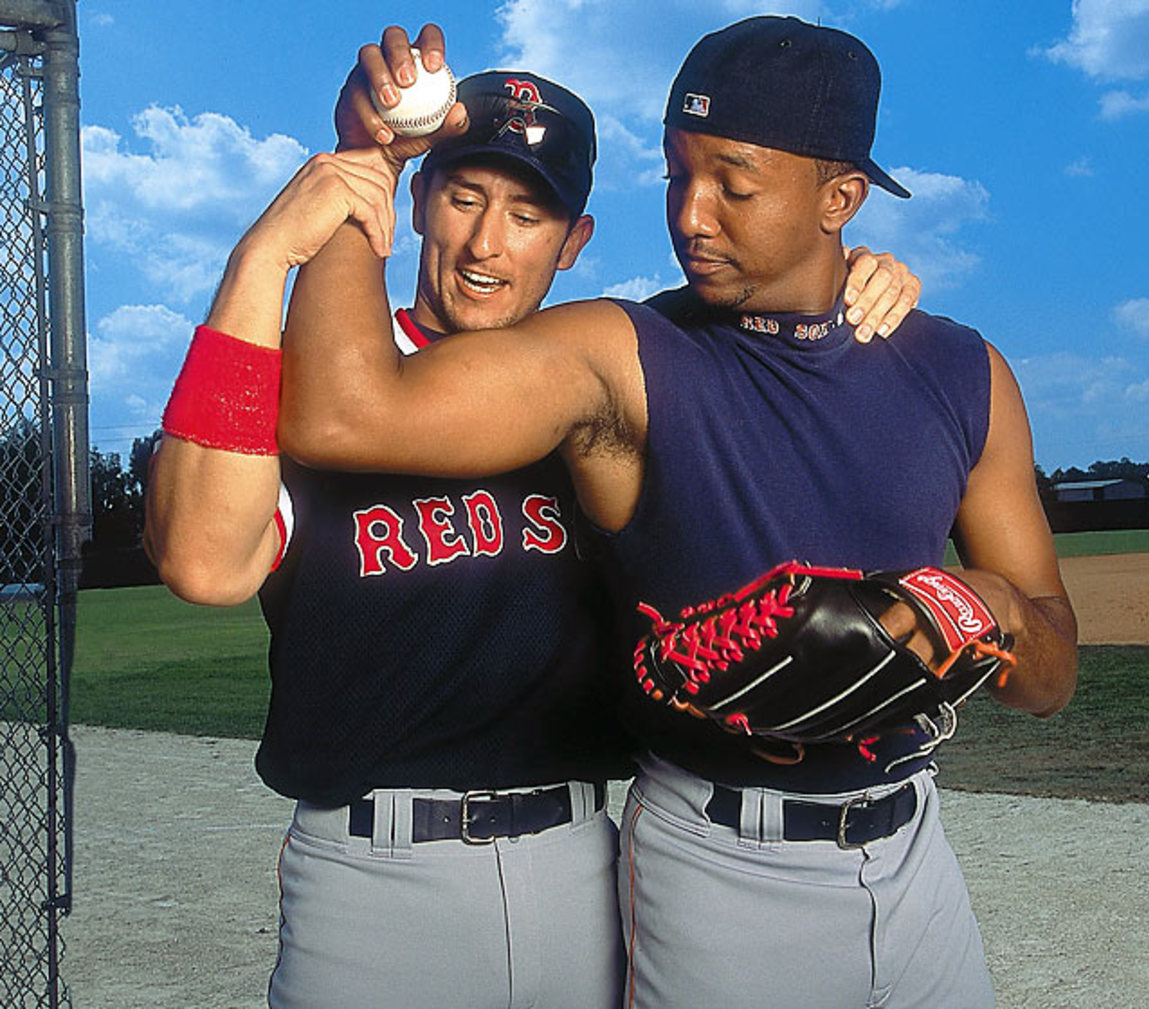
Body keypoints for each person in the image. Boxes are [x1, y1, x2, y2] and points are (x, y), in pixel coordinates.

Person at [279, 16, 1078, 1008]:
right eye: (673, 175)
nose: (691, 215)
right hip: (721, 866)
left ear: (841, 200)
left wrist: (986, 610)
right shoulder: (626, 355)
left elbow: (1050, 667)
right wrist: (371, 164)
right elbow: (341, 412)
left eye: (734, 185)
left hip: (918, 858)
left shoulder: (960, 370)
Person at [144, 25, 920, 1009]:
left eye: (527, 211)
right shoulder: (316, 382)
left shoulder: (610, 386)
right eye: (464, 195)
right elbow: (206, 563)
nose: (485, 241)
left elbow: (770, 317)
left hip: (578, 869)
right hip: (370, 879)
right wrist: (264, 259)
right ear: (420, 199)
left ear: (574, 240)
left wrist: (853, 272)